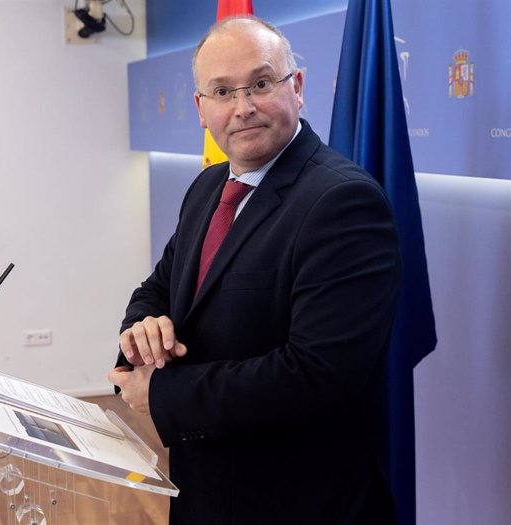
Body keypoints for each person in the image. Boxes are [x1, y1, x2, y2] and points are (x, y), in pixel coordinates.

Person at [109, 15, 401, 524]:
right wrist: (142, 331)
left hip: (302, 502)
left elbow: (317, 375)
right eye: (222, 92)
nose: (242, 108)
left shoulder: (343, 201)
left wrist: (161, 393)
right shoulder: (209, 187)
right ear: (201, 108)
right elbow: (160, 286)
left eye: (261, 84)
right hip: (206, 490)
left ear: (298, 88)